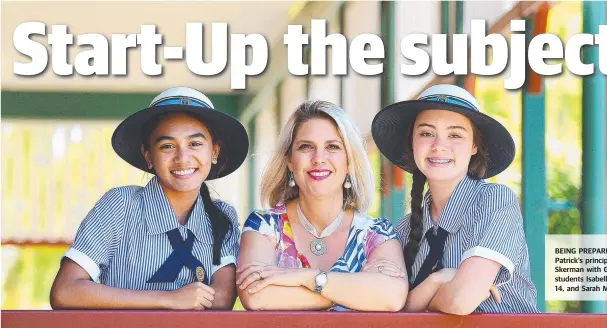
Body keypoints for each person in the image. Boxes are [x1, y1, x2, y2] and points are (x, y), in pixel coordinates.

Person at [50, 87, 249, 310]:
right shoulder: (120, 206)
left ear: (214, 152)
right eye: (167, 146)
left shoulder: (222, 216)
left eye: (195, 144)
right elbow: (65, 291)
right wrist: (169, 300)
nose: (182, 158)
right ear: (148, 156)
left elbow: (222, 298)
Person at [370, 84, 539, 314]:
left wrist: (422, 300)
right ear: (412, 142)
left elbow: (461, 299)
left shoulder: (495, 202)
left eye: (455, 135)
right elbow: (392, 311)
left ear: (474, 146)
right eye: (427, 133)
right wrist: (438, 280)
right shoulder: (403, 231)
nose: (439, 146)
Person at [236, 100, 408, 311]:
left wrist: (307, 278)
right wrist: (355, 292)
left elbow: (392, 297)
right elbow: (257, 296)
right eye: (306, 147)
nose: (319, 158)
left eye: (332, 147)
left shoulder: (376, 233)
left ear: (350, 162)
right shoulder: (264, 225)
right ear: (290, 160)